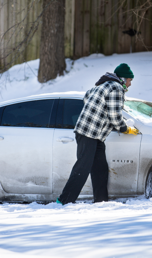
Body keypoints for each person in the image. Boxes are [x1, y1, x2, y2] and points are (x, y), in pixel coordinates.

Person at [57, 63, 139, 205]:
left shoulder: (101, 86)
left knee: (100, 168)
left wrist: (97, 112)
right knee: (82, 167)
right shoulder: (116, 87)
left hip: (94, 135)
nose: (130, 84)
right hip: (89, 133)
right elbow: (114, 115)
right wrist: (125, 129)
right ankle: (64, 200)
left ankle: (101, 201)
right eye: (130, 80)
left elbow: (87, 97)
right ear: (124, 79)